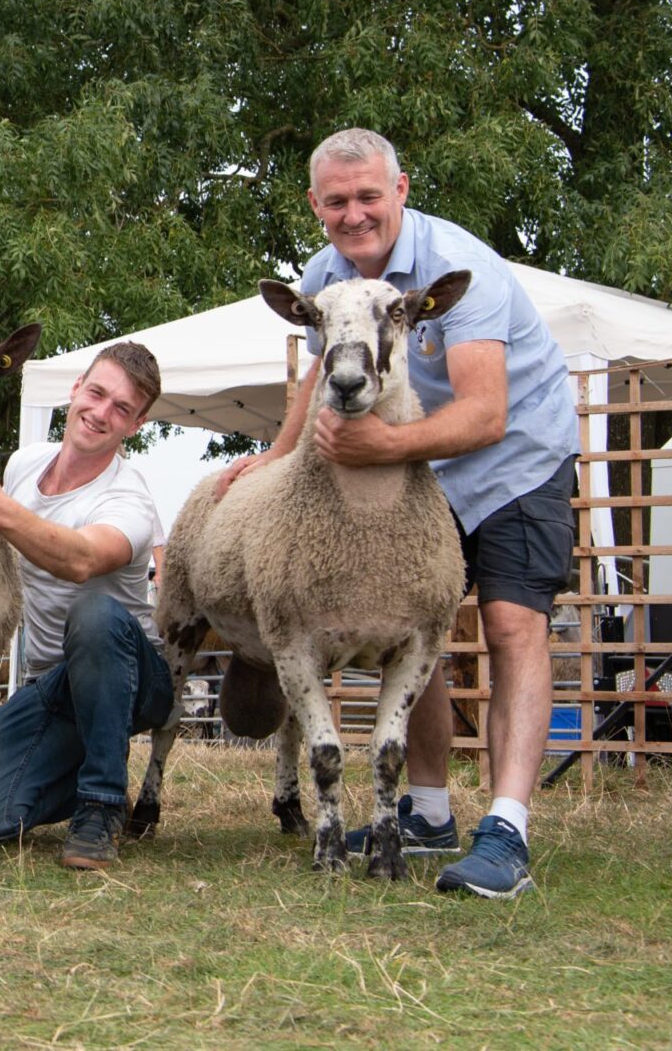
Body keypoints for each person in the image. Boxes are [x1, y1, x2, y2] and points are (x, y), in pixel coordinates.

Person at [218, 128, 578, 899]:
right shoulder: (327, 274)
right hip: (418, 464)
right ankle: (428, 812)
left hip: (514, 456)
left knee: (514, 623)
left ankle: (507, 831)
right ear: (317, 207)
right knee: (414, 623)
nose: (355, 215)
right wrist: (275, 459)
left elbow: (485, 415)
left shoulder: (461, 271)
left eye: (369, 196)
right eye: (338, 201)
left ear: (401, 191)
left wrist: (381, 448)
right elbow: (319, 371)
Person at [0, 343, 175, 870]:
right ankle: (94, 767)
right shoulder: (23, 464)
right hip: (50, 684)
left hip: (130, 678)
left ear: (136, 424)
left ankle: (100, 806)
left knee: (95, 612)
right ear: (76, 388)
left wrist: (1, 510)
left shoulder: (129, 498)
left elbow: (83, 560)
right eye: (97, 393)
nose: (102, 412)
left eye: (122, 409)